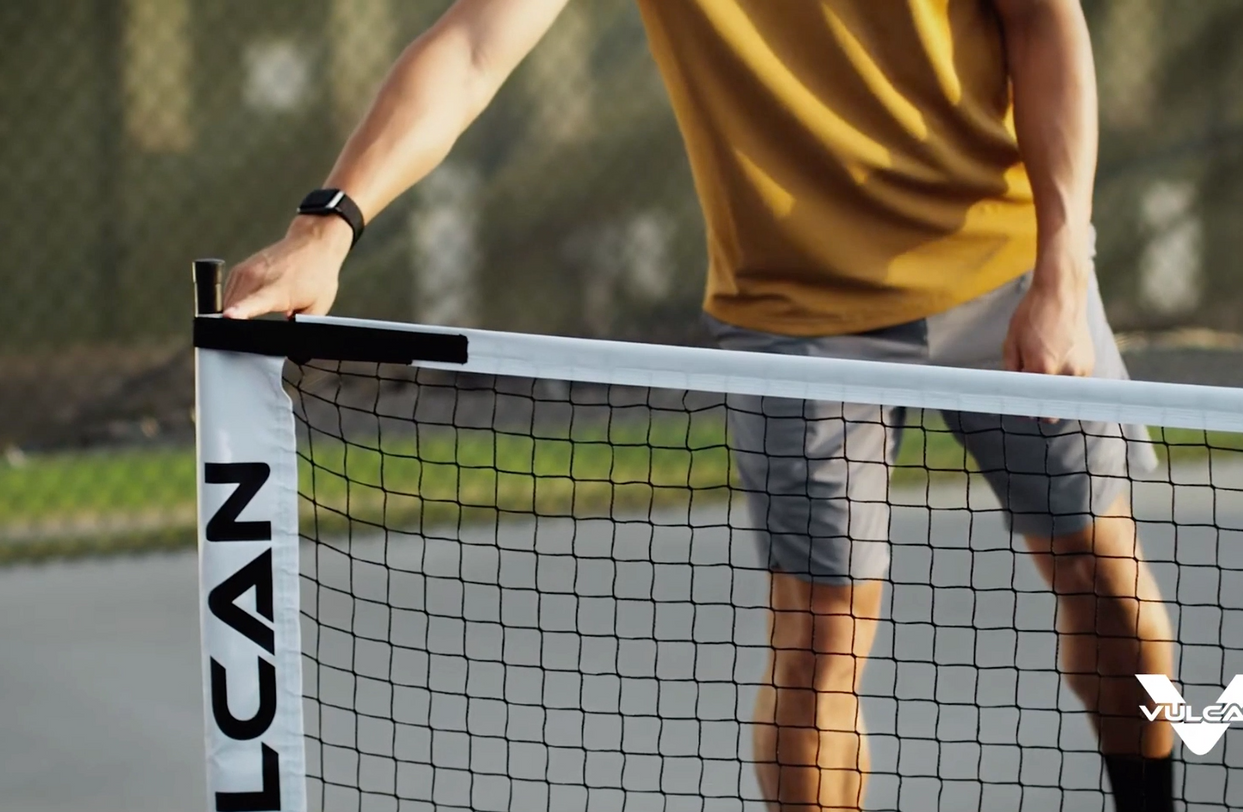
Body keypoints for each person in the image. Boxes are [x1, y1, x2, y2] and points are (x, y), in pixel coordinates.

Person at [220, 1, 1178, 810]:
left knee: (1102, 574)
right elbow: (473, 47)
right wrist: (327, 226)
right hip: (793, 309)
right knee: (819, 635)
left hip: (1010, 264)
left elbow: (1044, 20)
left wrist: (1062, 263)